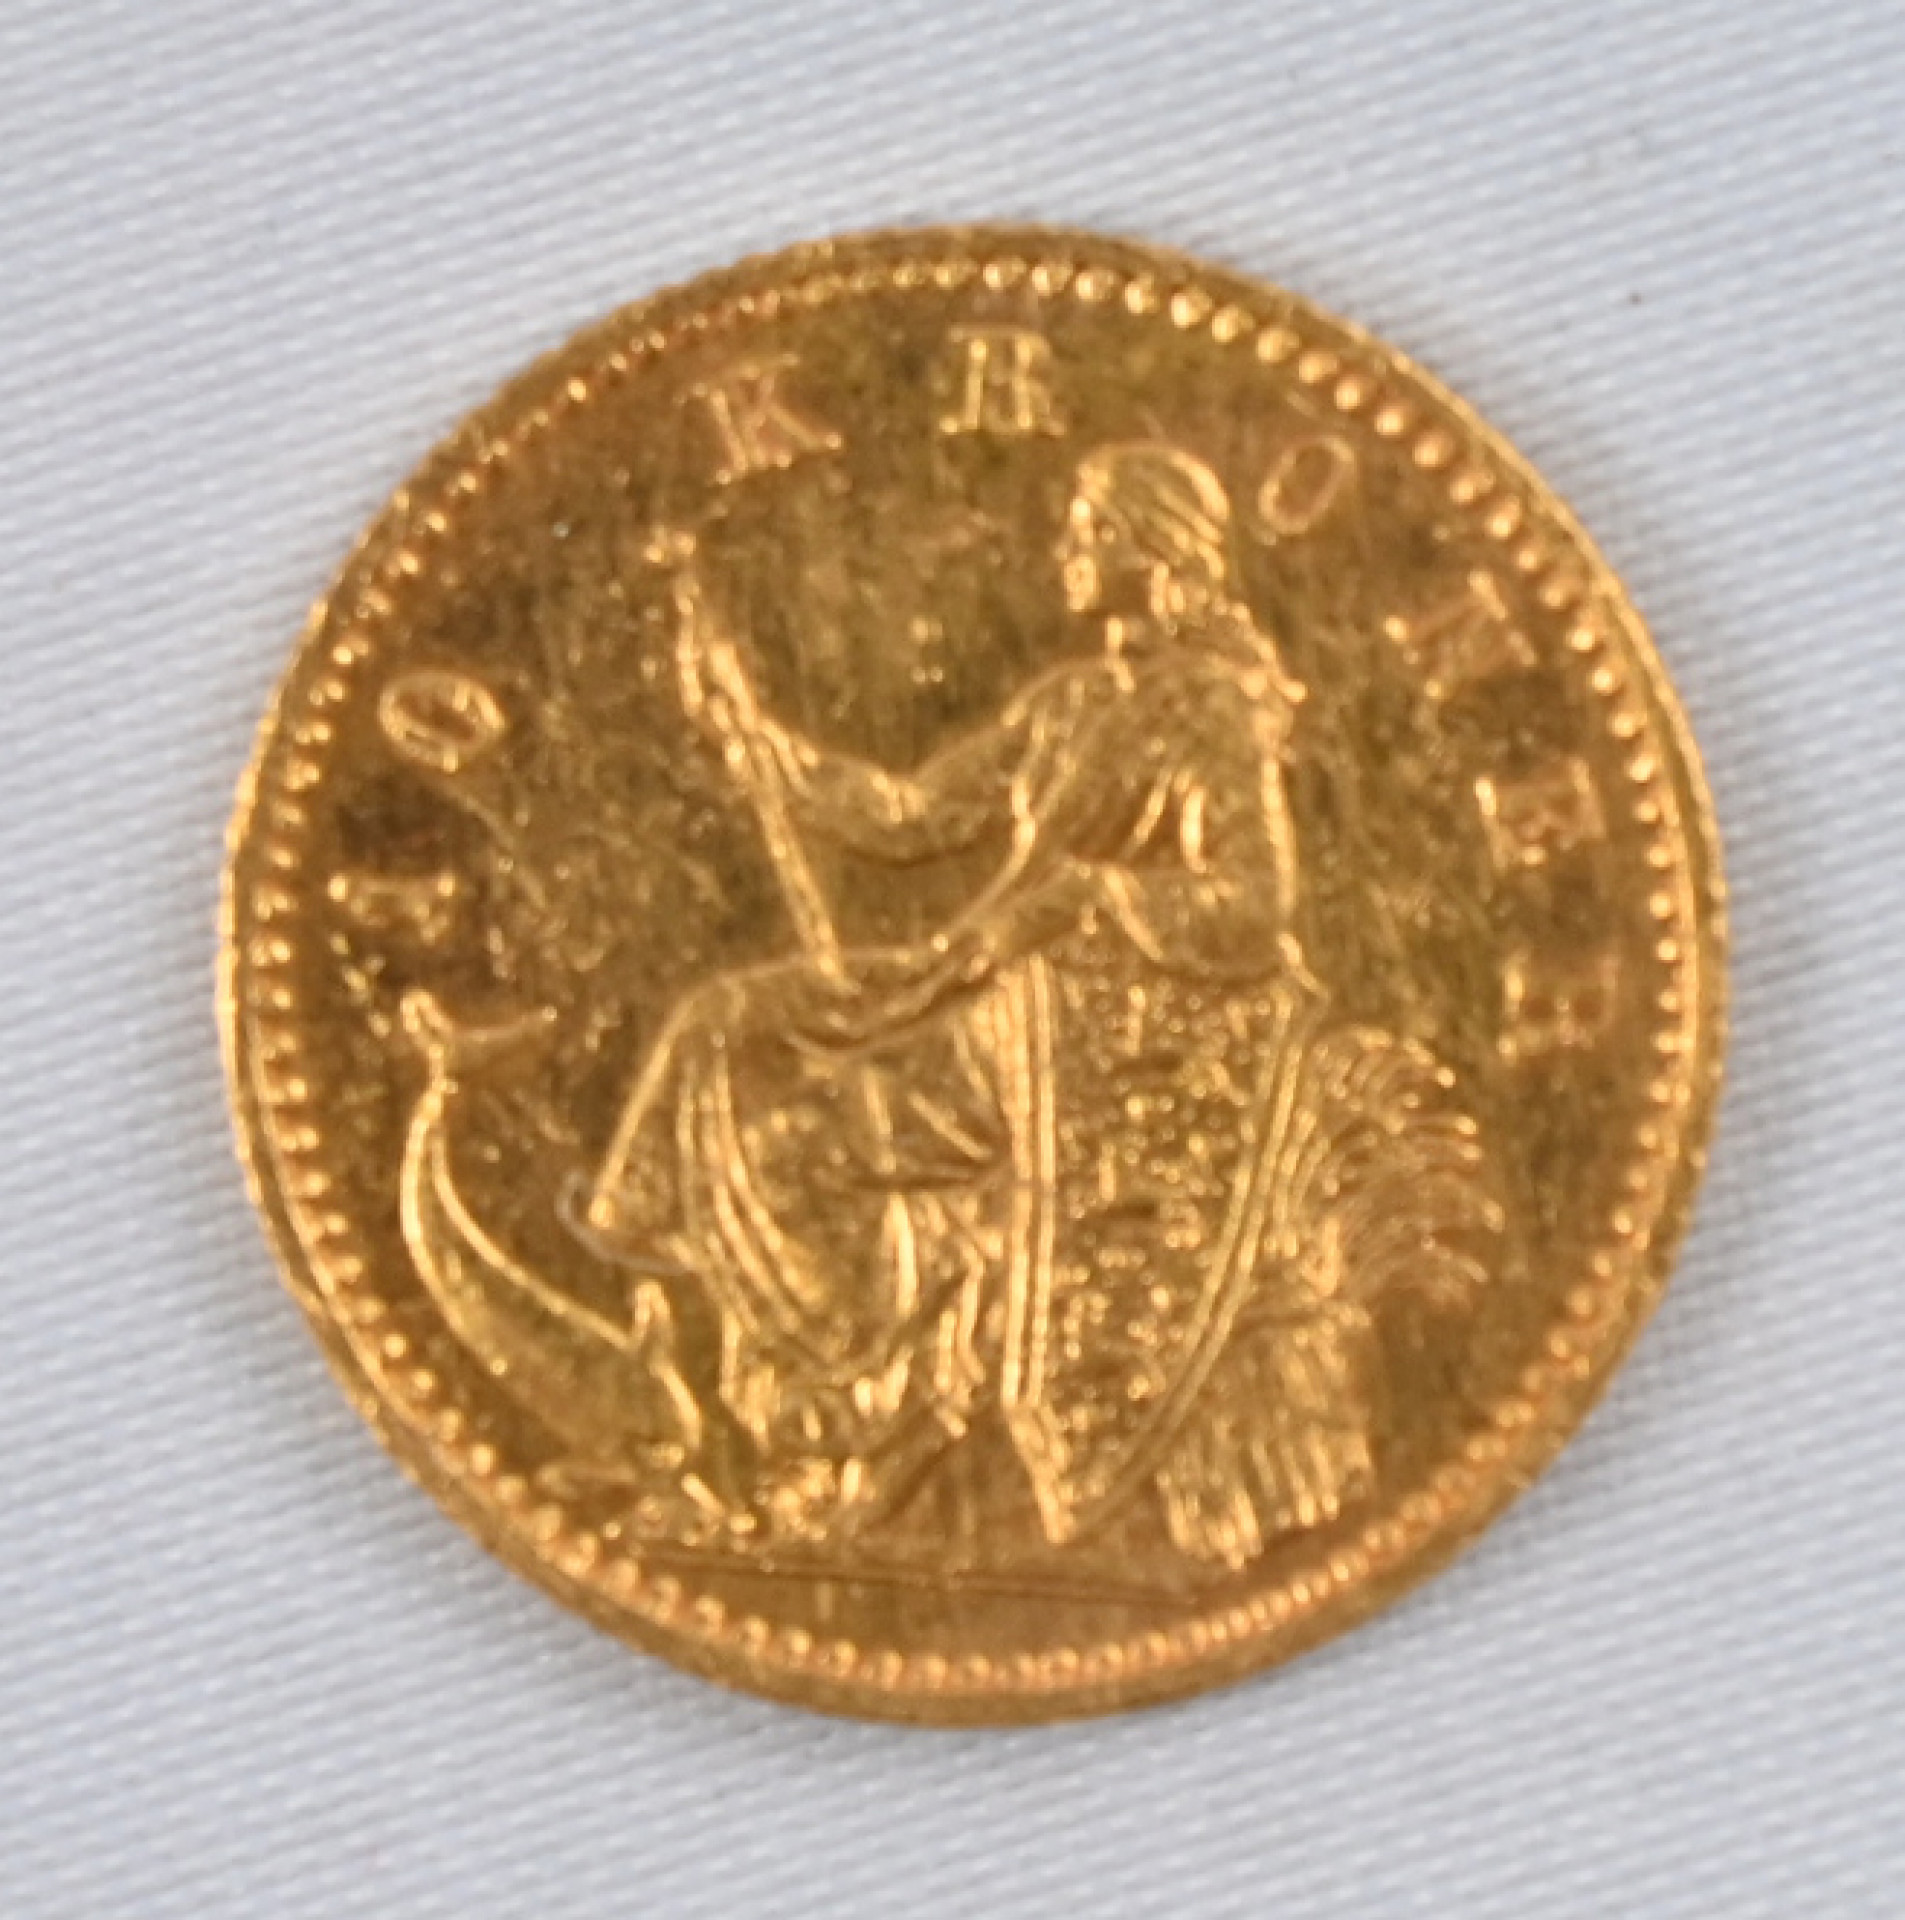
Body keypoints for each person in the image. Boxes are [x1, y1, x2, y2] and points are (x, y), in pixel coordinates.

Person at [583, 442, 1485, 1565]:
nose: (1067, 548)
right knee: (726, 1022)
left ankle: (864, 1408)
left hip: (1078, 1019)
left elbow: (1252, 912)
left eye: (1091, 528)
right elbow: (910, 814)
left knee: (802, 1117)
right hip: (976, 979)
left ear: (1154, 550)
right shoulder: (1068, 704)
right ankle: (728, 1292)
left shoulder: (1213, 709)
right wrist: (765, 746)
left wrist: (1081, 903)